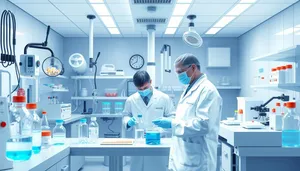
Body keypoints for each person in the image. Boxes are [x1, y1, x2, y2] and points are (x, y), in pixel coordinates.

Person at [152, 53, 223, 171]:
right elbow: (185, 118)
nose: (179, 76)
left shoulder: (208, 91)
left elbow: (204, 125)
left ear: (193, 67)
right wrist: (172, 124)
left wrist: (172, 124)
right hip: (184, 155)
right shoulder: (189, 88)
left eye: (180, 72)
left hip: (198, 158)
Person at [123, 70, 174, 171]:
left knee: (157, 168)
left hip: (158, 140)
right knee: (137, 168)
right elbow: (125, 115)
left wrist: (161, 129)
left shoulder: (164, 98)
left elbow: (172, 118)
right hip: (139, 140)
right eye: (139, 89)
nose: (142, 91)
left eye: (145, 88)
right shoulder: (131, 99)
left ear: (150, 82)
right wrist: (128, 122)